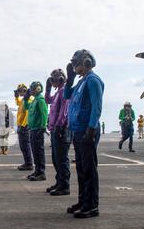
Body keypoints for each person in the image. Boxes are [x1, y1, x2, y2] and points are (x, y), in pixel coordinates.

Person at [64, 49, 104, 219]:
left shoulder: (93, 81)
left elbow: (97, 106)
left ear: (85, 62)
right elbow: (67, 96)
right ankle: (83, 201)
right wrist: (70, 80)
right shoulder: (82, 82)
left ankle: (92, 205)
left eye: (76, 63)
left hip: (87, 130)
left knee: (89, 170)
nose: (74, 66)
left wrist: (91, 128)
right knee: (81, 169)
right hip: (78, 130)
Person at [45, 69, 71, 195]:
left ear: (60, 79)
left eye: (53, 79)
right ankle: (59, 182)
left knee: (62, 159)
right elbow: (47, 100)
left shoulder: (64, 91)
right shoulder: (58, 92)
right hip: (55, 129)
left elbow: (64, 111)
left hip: (61, 130)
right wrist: (48, 89)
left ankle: (64, 185)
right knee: (56, 159)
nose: (52, 82)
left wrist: (59, 126)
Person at [23, 81, 48, 181]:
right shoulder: (34, 100)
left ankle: (41, 172)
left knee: (39, 151)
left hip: (38, 129)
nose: (32, 90)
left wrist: (43, 127)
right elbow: (26, 107)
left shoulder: (40, 99)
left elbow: (44, 114)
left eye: (33, 88)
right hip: (33, 129)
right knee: (35, 151)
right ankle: (37, 171)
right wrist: (26, 99)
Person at [14, 84, 34, 170]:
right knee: (23, 146)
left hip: (24, 126)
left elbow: (27, 114)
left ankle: (29, 163)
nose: (19, 92)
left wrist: (24, 125)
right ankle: (27, 162)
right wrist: (16, 97)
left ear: (24, 90)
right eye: (18, 91)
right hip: (21, 125)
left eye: (20, 91)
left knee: (25, 145)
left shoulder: (29, 99)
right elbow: (18, 103)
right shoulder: (23, 99)